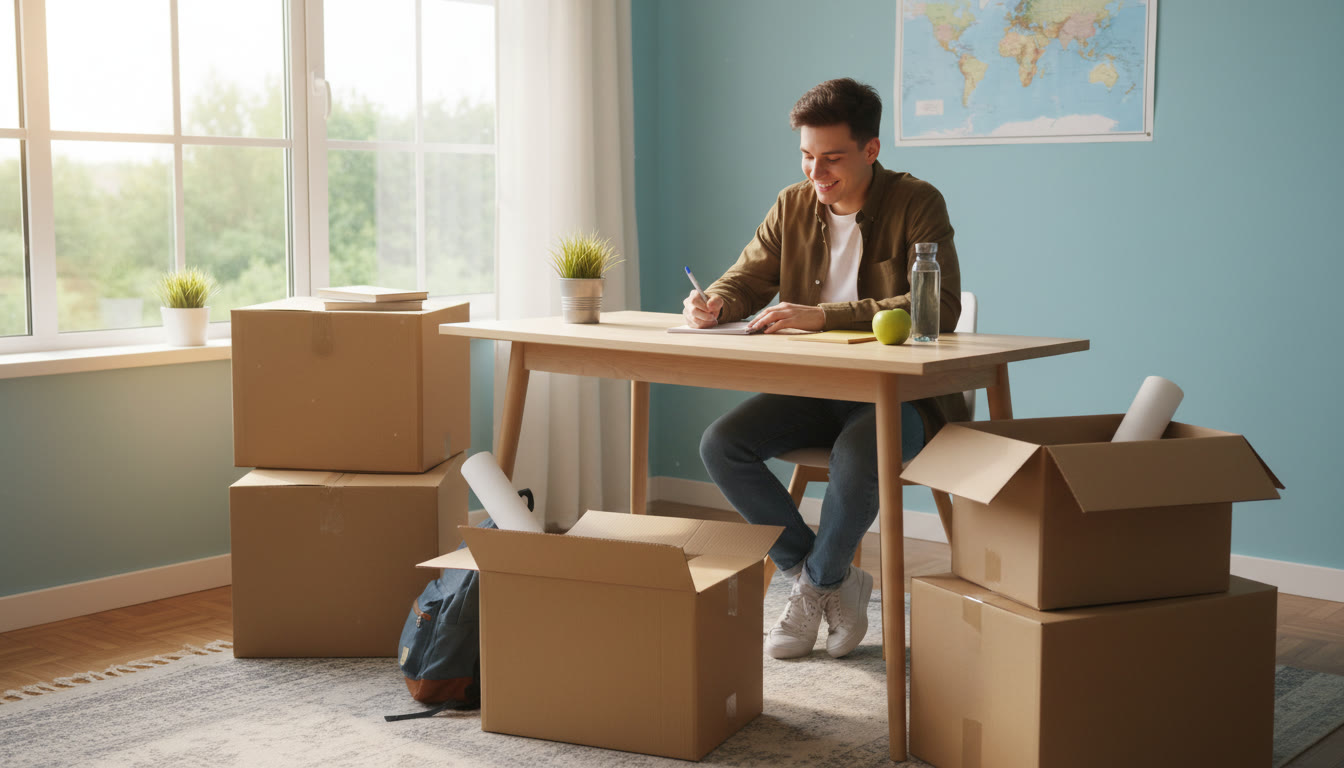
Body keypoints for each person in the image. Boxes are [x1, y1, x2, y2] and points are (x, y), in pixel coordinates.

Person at [685, 78, 967, 660]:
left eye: (832, 159)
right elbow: (746, 277)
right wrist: (712, 302)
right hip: (814, 391)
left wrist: (823, 315)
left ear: (871, 150)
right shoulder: (792, 204)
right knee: (722, 444)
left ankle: (812, 587)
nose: (817, 174)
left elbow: (938, 307)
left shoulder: (918, 202)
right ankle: (826, 579)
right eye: (808, 158)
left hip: (902, 398)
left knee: (861, 453)